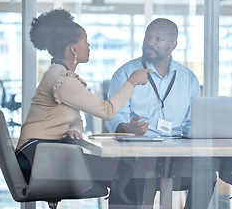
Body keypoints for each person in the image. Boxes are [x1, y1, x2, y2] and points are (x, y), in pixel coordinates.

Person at [15, 9, 151, 185]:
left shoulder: (61, 75)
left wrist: (75, 130)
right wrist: (131, 82)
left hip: (45, 154)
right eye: (85, 41)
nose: (89, 46)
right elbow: (106, 111)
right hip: (36, 158)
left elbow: (77, 119)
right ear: (73, 49)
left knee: (124, 169)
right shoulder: (62, 80)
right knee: (125, 170)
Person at [106, 18, 213, 208]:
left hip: (178, 153)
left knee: (206, 173)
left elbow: (192, 121)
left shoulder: (188, 78)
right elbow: (114, 116)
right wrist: (129, 128)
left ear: (173, 45)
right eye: (148, 36)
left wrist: (196, 130)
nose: (150, 42)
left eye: (158, 39)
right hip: (138, 151)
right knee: (131, 179)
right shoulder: (126, 73)